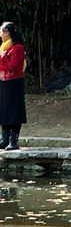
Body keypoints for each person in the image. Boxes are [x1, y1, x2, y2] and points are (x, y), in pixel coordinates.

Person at [0, 22, 27, 150]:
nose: (0, 35)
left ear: (7, 33)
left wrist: (4, 57)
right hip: (4, 82)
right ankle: (4, 139)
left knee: (14, 111)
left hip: (14, 82)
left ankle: (14, 141)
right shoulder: (3, 47)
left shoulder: (17, 48)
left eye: (1, 32)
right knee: (4, 110)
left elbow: (14, 66)